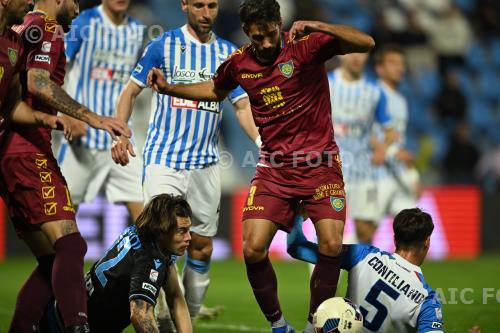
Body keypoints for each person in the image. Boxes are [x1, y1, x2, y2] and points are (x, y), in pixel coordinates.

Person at [140, 0, 375, 331]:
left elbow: (366, 42)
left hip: (319, 164)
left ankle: (314, 324)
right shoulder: (238, 62)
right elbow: (213, 90)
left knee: (331, 245)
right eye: (256, 37)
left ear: (279, 23)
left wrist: (321, 26)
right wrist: (168, 88)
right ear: (247, 34)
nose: (264, 44)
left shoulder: (305, 45)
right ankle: (278, 325)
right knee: (252, 248)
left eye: (268, 35)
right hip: (274, 169)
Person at [111, 0, 259, 327]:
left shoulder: (228, 54)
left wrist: (262, 141)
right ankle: (151, 311)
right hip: (165, 160)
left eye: (212, 6)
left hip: (205, 165)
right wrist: (120, 134)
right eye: (199, 5)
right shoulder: (162, 45)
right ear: (184, 6)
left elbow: (242, 105)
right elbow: (129, 92)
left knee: (202, 248)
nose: (206, 13)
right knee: (162, 239)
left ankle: (182, 320)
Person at [2, 0, 131, 331]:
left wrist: (53, 120)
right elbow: (39, 83)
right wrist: (91, 117)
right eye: (74, 0)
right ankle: (78, 326)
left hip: (11, 152)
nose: (77, 8)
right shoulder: (46, 27)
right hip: (27, 151)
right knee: (71, 244)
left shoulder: (17, 30)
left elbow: (17, 96)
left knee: (50, 261)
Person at [287, 51, 394, 265]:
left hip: (364, 171)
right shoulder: (325, 83)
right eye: (351, 52)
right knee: (326, 232)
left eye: (362, 54)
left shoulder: (374, 91)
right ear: (342, 55)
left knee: (365, 231)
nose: (356, 58)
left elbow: (389, 129)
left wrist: (382, 146)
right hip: (328, 169)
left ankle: (357, 281)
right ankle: (320, 278)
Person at [40, 194, 193, 333]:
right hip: (64, 327)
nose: (189, 237)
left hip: (64, 312)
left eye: (188, 230)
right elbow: (141, 316)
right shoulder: (147, 261)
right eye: (181, 231)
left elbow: (175, 297)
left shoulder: (146, 236)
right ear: (162, 230)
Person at [289, 208, 445, 333]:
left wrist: (297, 216)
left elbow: (297, 248)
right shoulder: (427, 300)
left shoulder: (364, 256)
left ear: (395, 238)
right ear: (427, 242)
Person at [57, 0, 145, 220]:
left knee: (147, 217)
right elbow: (56, 67)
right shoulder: (84, 23)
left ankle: (152, 255)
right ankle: (58, 256)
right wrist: (66, 114)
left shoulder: (137, 30)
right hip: (82, 138)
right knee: (62, 218)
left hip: (120, 137)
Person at [374, 44, 420, 217]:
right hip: (372, 171)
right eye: (393, 63)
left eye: (401, 63)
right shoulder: (373, 94)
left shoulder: (401, 100)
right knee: (365, 230)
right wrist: (393, 152)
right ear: (379, 69)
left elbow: (398, 142)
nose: (400, 67)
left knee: (412, 222)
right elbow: (365, 134)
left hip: (395, 171)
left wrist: (412, 176)